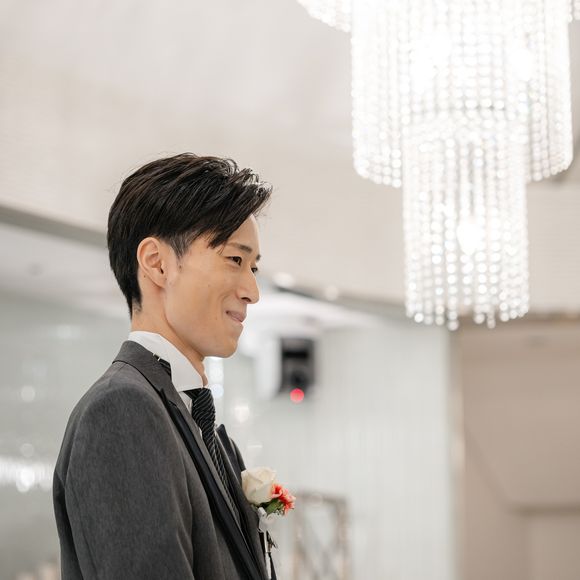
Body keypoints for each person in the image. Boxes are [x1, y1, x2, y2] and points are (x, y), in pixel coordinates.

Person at [52, 153, 274, 579]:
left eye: (254, 267)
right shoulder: (121, 410)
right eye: (235, 260)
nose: (253, 290)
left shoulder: (203, 427)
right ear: (157, 263)